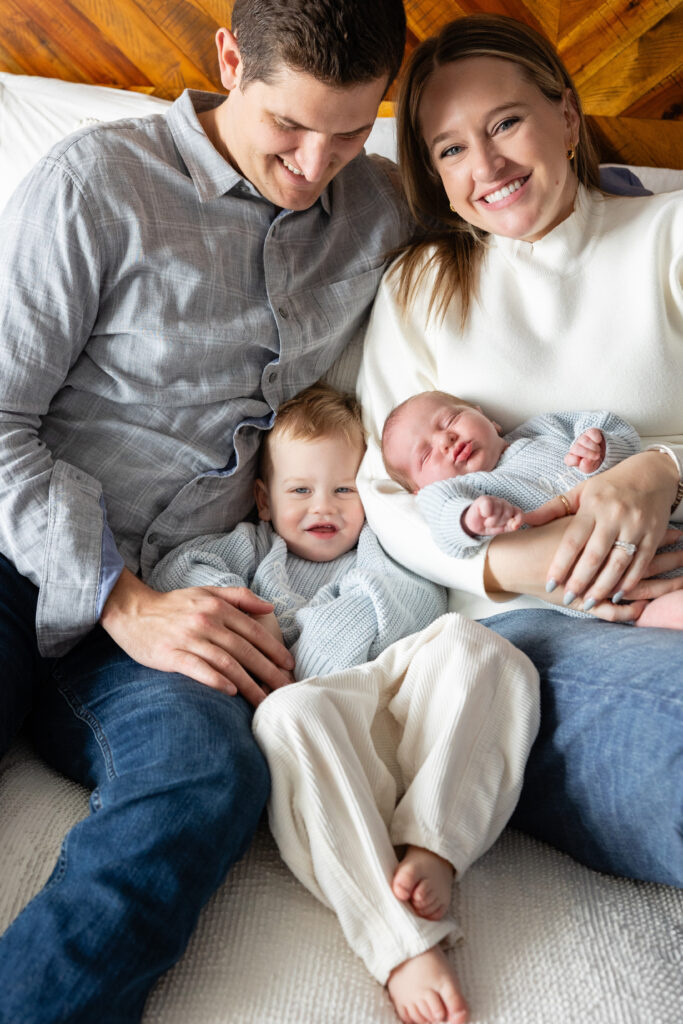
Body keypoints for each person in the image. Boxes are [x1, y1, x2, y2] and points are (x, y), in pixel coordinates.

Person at [0, 2, 412, 1020]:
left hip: (193, 591)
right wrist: (121, 599)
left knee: (208, 773)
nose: (314, 165)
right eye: (288, 126)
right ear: (230, 59)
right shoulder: (98, 182)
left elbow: (524, 228)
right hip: (20, 557)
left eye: (350, 131)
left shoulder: (380, 206)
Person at [357, 13, 683, 889]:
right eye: (450, 149)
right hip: (530, 630)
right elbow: (383, 493)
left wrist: (660, 469)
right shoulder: (419, 286)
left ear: (566, 117)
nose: (486, 165)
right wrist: (522, 563)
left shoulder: (668, 236)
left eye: (504, 123)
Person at [148, 382, 539, 1024]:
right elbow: (176, 570)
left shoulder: (385, 543)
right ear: (265, 500)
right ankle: (402, 943)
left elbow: (409, 607)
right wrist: (248, 616)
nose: (323, 507)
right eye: (300, 490)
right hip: (326, 741)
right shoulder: (254, 549)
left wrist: (300, 635)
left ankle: (435, 842)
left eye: (344, 489)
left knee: (482, 649)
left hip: (405, 716)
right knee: (284, 714)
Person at [381, 391, 683, 627]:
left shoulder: (543, 429)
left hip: (657, 529)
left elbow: (608, 425)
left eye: (450, 420)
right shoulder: (464, 489)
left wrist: (600, 448)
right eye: (425, 455)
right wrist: (468, 519)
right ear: (418, 490)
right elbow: (438, 511)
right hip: (620, 597)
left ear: (486, 417)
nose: (445, 439)